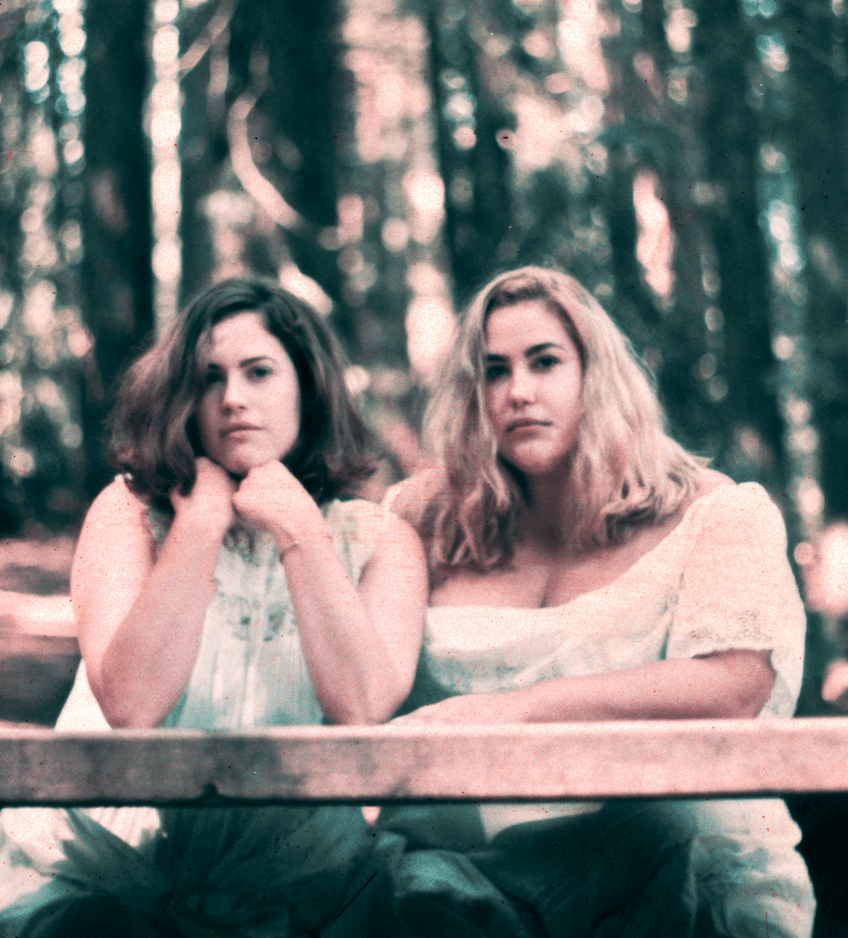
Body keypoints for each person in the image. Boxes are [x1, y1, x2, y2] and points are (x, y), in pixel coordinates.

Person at [377, 266, 815, 937]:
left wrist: (510, 710)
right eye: (494, 371)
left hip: (681, 875)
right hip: (480, 883)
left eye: (545, 362)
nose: (519, 391)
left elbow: (734, 686)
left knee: (660, 830)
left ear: (595, 374)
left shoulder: (717, 512)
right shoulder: (424, 522)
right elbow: (363, 691)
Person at [0, 278, 428, 936]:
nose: (233, 399)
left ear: (309, 386)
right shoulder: (127, 514)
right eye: (208, 378)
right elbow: (132, 705)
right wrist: (199, 526)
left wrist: (299, 530)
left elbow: (363, 706)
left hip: (301, 881)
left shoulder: (381, 541)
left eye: (259, 372)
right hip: (108, 869)